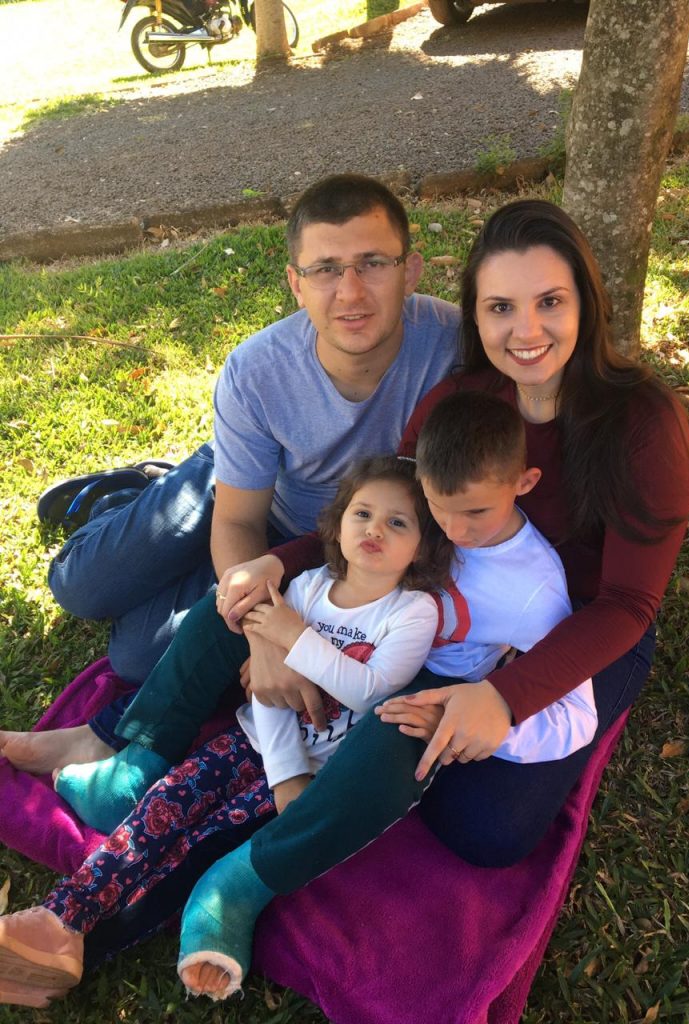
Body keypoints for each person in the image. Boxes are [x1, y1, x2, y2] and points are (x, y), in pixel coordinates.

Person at [152, 196, 689, 997]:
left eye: (550, 301)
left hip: (580, 628)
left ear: (587, 299)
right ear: (473, 314)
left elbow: (628, 606)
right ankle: (179, 800)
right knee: (265, 615)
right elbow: (392, 511)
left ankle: (272, 846)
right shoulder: (460, 404)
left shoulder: (643, 425)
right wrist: (282, 559)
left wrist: (504, 698)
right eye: (501, 306)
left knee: (485, 828)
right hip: (445, 593)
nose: (527, 330)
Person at [0, 389, 599, 1005]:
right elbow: (349, 539)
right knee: (227, 612)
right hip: (274, 724)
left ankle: (158, 911)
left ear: (523, 484)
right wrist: (273, 624)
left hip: (381, 713)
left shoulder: (520, 588)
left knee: (242, 817)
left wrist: (495, 713)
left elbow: (573, 713)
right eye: (440, 510)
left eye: (469, 514)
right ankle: (129, 769)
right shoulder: (341, 567)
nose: (455, 532)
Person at [0, 173, 459, 775]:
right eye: (325, 268)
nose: (350, 291)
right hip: (240, 492)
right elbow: (239, 518)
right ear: (295, 283)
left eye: (373, 262)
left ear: (412, 270)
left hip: (311, 544)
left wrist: (268, 624)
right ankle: (121, 499)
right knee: (77, 587)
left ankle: (165, 556)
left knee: (136, 657)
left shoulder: (454, 344)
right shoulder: (258, 369)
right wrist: (266, 638)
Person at [0, 455, 451, 1007]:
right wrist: (282, 764)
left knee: (203, 842)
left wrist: (293, 637)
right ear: (336, 525)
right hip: (256, 743)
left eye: (398, 522)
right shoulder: (306, 587)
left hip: (317, 771)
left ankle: (88, 943)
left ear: (424, 545)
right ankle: (59, 915)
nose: (375, 529)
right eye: (363, 513)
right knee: (161, 808)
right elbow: (265, 690)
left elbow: (369, 692)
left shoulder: (412, 612)